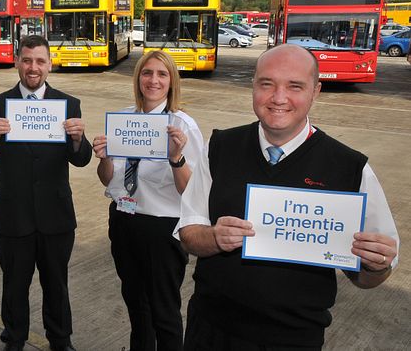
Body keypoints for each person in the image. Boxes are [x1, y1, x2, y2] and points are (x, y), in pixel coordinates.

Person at [177, 44, 400, 350]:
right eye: (266, 84)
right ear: (253, 86)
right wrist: (214, 237)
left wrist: (377, 265)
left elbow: (368, 278)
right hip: (211, 330)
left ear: (316, 91)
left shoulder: (350, 168)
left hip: (294, 340)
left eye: (295, 86)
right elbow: (188, 234)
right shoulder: (219, 148)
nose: (278, 98)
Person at [0, 35, 92, 351]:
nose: (33, 68)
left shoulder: (69, 104)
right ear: (17, 62)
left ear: (49, 65)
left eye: (40, 61)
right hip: (13, 214)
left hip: (56, 215)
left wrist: (77, 139)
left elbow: (81, 159)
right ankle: (14, 338)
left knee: (56, 283)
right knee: (14, 284)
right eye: (27, 60)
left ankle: (60, 339)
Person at [92, 50, 204, 351]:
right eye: (147, 73)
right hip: (124, 221)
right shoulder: (123, 119)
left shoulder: (183, 126)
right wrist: (103, 159)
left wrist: (176, 158)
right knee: (136, 307)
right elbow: (108, 178)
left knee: (164, 311)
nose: (153, 80)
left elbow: (193, 191)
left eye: (162, 74)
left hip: (161, 229)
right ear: (138, 78)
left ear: (171, 82)